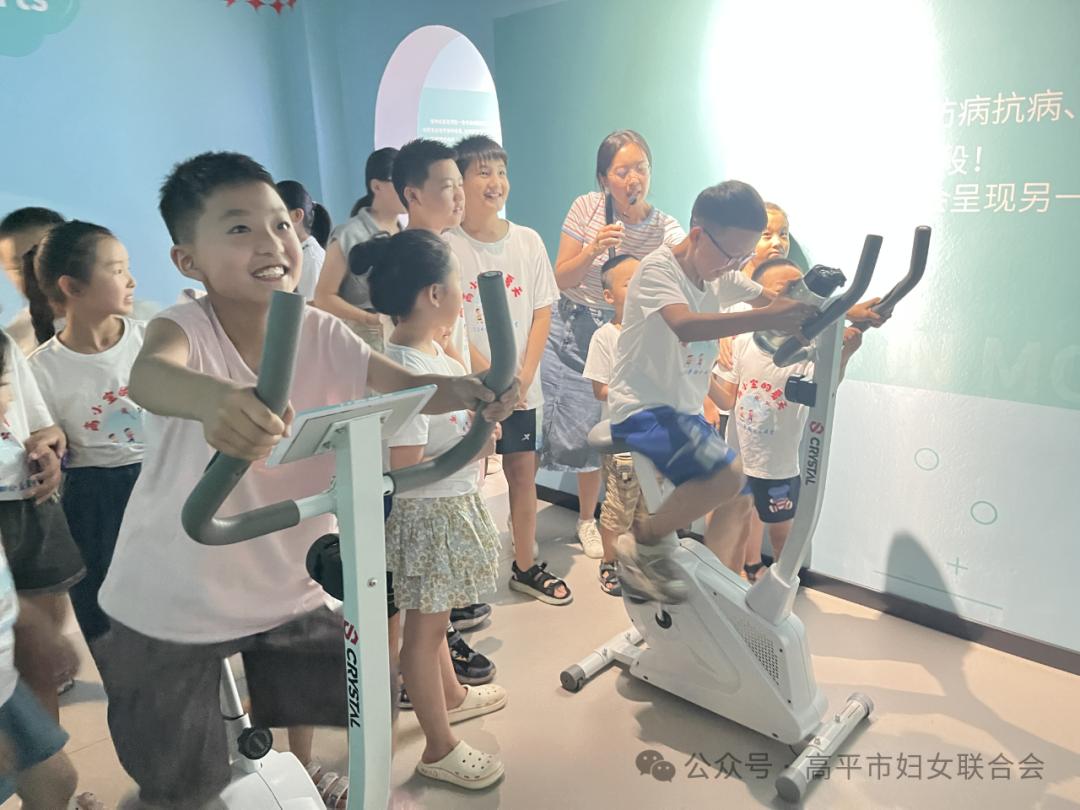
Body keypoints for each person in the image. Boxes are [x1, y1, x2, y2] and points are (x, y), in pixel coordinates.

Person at [91, 151, 518, 809]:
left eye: (281, 224)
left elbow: (401, 386)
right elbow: (151, 376)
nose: (271, 242)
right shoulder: (186, 328)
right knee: (177, 769)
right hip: (176, 587)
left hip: (284, 582)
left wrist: (465, 388)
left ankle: (302, 768)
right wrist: (213, 400)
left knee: (336, 698)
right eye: (239, 228)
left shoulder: (320, 330)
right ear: (188, 260)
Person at [606, 181, 817, 603]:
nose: (735, 265)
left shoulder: (720, 274)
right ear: (698, 235)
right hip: (641, 410)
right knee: (729, 476)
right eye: (730, 255)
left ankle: (715, 594)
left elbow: (773, 303)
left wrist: (846, 312)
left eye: (744, 257)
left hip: (682, 415)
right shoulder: (659, 271)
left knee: (738, 497)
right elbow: (685, 325)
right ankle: (641, 542)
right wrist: (768, 317)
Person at [356, 230, 507, 789]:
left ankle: (453, 696)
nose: (462, 294)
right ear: (433, 294)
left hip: (447, 508)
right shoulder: (403, 368)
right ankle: (438, 748)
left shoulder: (434, 354)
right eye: (457, 284)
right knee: (421, 635)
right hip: (426, 518)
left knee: (437, 622)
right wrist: (477, 439)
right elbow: (405, 465)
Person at [540, 130, 685, 558]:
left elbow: (686, 265)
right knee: (568, 427)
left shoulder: (664, 226)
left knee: (613, 428)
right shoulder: (586, 208)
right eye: (622, 171)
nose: (633, 178)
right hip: (574, 324)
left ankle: (609, 521)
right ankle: (575, 518)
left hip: (628, 332)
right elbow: (560, 277)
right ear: (604, 178)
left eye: (641, 168)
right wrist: (592, 250)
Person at [446, 135, 570, 606]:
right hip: (471, 389)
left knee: (522, 474)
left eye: (501, 172)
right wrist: (492, 378)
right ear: (460, 182)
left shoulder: (527, 241)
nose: (496, 181)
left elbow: (542, 311)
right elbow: (450, 324)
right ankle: (463, 584)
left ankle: (524, 564)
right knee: (466, 480)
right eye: (483, 172)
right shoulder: (447, 246)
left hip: (521, 389)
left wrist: (523, 375)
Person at [24, 222, 145, 653]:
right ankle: (123, 681)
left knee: (178, 602)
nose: (131, 280)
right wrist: (50, 441)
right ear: (72, 287)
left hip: (159, 481)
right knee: (107, 614)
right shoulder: (40, 369)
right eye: (117, 269)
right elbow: (41, 442)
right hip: (94, 500)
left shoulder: (152, 340)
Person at [712, 258, 865, 574]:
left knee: (783, 536)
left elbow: (826, 388)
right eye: (788, 291)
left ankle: (780, 589)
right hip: (738, 464)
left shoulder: (810, 350)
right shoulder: (742, 342)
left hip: (778, 468)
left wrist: (845, 354)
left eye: (804, 291)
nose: (799, 298)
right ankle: (735, 584)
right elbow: (726, 398)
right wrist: (698, 375)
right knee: (735, 530)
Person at [582, 254, 645, 596]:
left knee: (647, 506)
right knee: (619, 505)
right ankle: (610, 562)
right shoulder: (605, 336)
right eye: (629, 283)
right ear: (609, 296)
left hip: (653, 437)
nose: (638, 289)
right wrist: (639, 390)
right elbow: (600, 389)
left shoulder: (655, 331)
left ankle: (639, 562)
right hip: (620, 440)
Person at [313, 147, 404, 350]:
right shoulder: (349, 234)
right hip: (361, 344)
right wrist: (368, 319)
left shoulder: (407, 234)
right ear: (377, 186)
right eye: (399, 181)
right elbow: (323, 297)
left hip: (401, 343)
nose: (407, 188)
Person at [0, 208, 66, 358]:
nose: (37, 275)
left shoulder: (118, 319)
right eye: (19, 268)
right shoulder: (13, 347)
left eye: (46, 259)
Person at [275, 181, 326, 302]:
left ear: (297, 215)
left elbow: (313, 309)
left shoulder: (311, 260)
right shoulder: (298, 253)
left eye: (275, 213)